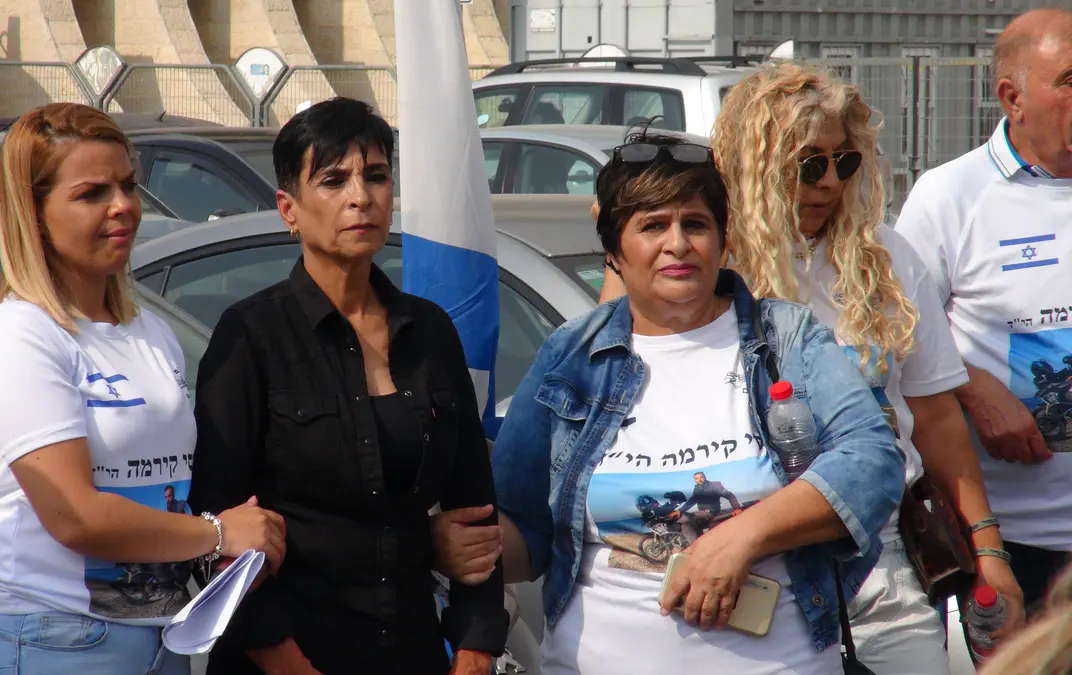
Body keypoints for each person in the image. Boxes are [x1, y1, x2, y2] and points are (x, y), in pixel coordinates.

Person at [445, 131, 905, 674]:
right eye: (653, 226)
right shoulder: (571, 355)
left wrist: (743, 537)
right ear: (614, 252)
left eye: (696, 224)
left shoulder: (787, 338)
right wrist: (452, 544)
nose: (678, 243)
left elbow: (873, 462)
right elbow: (525, 532)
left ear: (723, 240)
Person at [709, 62, 1025, 671]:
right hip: (752, 565)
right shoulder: (709, 267)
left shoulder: (885, 258)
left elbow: (936, 420)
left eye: (844, 161)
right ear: (755, 166)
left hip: (881, 559)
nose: (829, 181)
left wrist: (988, 552)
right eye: (808, 164)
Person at [0, 103, 286, 675]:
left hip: (161, 639)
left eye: (128, 186)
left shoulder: (151, 331)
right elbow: (76, 517)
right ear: (34, 213)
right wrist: (216, 533)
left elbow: (171, 490)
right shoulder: (19, 334)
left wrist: (231, 547)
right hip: (51, 640)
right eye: (91, 193)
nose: (123, 206)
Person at [189, 97, 507, 675]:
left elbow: (475, 515)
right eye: (334, 181)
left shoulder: (430, 331)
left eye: (377, 176)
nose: (361, 197)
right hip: (284, 657)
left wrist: (475, 649)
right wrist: (286, 664)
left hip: (410, 650)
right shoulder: (252, 335)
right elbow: (218, 528)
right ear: (288, 208)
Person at [894, 8, 1072, 614]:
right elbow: (897, 333)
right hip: (1013, 541)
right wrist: (971, 386)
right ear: (1012, 98)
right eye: (1070, 79)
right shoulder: (950, 195)